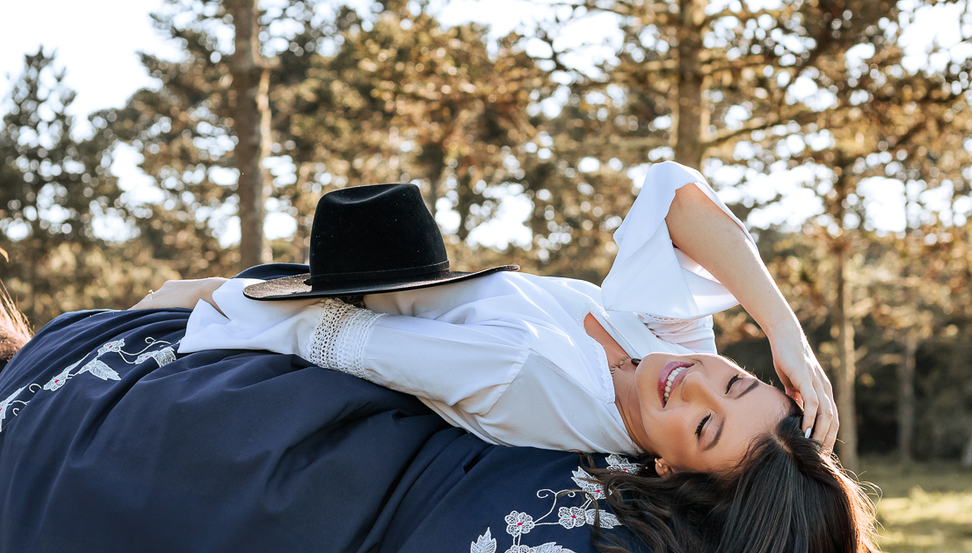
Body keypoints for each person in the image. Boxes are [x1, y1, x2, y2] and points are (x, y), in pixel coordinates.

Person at [139, 162, 841, 470]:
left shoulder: (529, 374)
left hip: (338, 300)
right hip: (381, 273)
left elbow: (349, 339)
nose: (697, 385)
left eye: (706, 425)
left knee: (161, 300)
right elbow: (675, 196)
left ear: (669, 470)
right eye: (737, 382)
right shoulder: (666, 346)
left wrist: (233, 303)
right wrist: (786, 331)